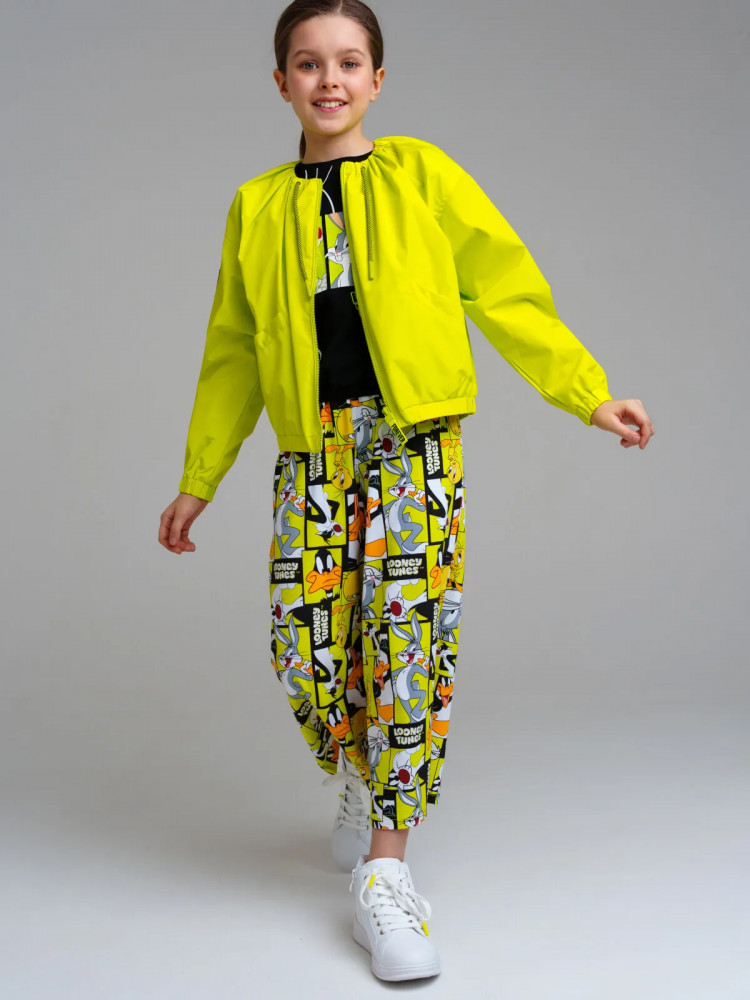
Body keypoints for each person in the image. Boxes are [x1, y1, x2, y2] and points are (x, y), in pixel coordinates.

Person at [158, 0, 654, 983]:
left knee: (407, 641)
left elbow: (504, 291)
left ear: (378, 81)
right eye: (308, 63)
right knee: (305, 646)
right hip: (312, 452)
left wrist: (586, 393)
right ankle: (359, 768)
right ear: (281, 82)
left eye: (349, 62)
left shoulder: (423, 175)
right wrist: (199, 477)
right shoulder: (256, 206)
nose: (329, 80)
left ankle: (387, 870)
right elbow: (233, 350)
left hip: (414, 445)